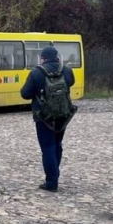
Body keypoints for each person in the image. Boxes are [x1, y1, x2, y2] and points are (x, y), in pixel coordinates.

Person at [20, 46, 76, 192]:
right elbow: (71, 83)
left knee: (48, 148)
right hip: (63, 115)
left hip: (43, 117)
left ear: (43, 58)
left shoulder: (36, 72)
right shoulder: (67, 70)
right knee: (57, 144)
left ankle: (51, 182)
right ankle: (55, 173)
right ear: (57, 57)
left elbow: (25, 94)